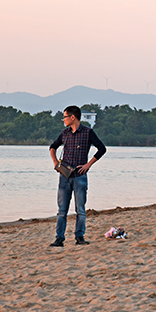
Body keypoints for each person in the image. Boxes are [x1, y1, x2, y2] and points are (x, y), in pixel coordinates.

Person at [48, 105, 107, 247]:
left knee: (80, 209)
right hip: (64, 176)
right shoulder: (65, 133)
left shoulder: (88, 132)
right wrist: (56, 163)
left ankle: (79, 237)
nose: (63, 120)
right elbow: (52, 147)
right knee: (62, 210)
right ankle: (59, 239)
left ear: (72, 117)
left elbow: (102, 149)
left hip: (80, 176)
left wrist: (88, 164)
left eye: (65, 117)